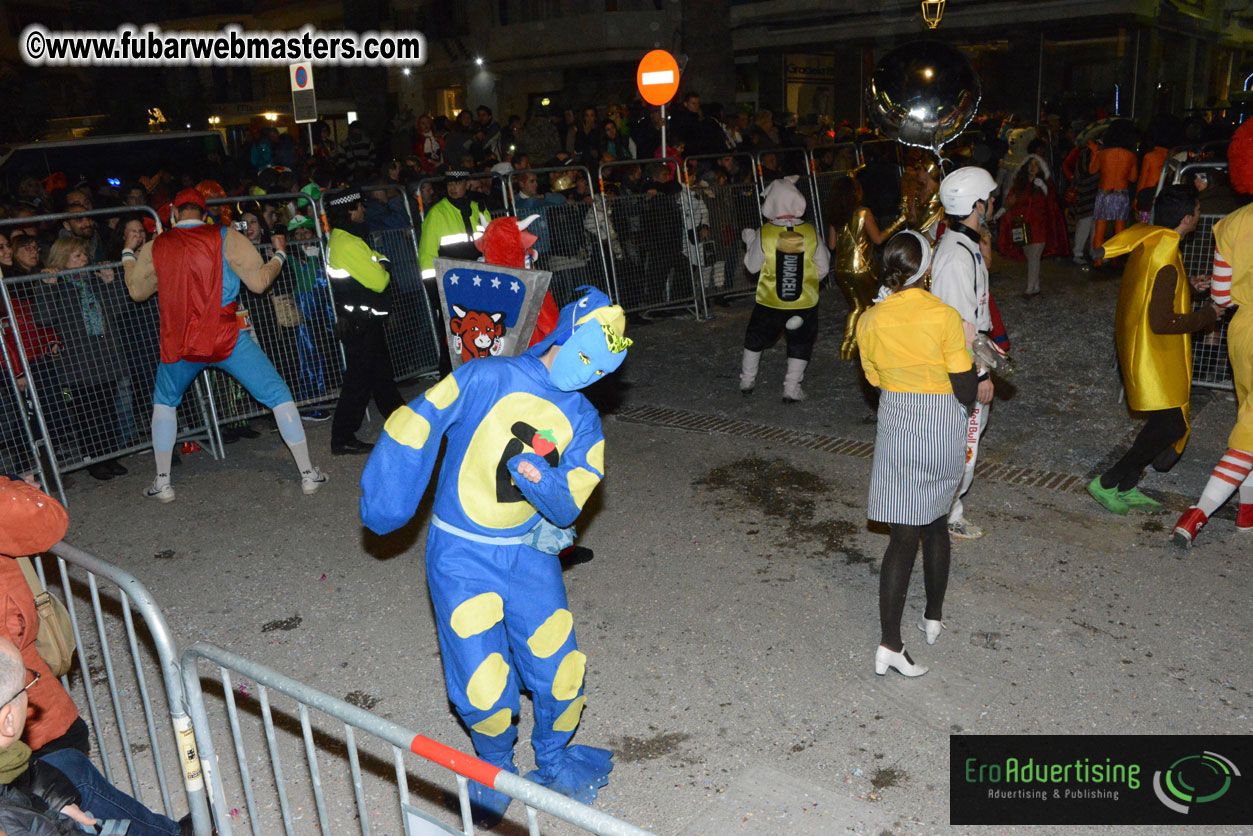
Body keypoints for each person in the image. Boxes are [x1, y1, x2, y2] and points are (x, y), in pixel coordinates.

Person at [359, 287, 630, 826]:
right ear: (568, 333)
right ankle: (494, 770)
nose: (592, 374)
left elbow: (569, 501)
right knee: (483, 683)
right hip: (462, 552)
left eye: (604, 367)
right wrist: (389, 501)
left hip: (529, 554)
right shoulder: (485, 376)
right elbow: (417, 422)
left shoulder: (585, 422)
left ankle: (552, 762)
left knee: (562, 671)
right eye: (588, 356)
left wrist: (543, 480)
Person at [122, 188, 327, 501]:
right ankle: (308, 473)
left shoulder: (157, 245)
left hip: (179, 341)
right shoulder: (226, 237)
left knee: (165, 402)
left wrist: (127, 255)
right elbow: (259, 283)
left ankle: (162, 481)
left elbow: (137, 291)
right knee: (277, 394)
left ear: (175, 214)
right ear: (205, 214)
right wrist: (281, 256)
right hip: (225, 335)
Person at [857, 232, 977, 677]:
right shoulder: (944, 315)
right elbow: (964, 388)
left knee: (901, 538)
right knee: (936, 523)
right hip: (941, 424)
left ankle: (890, 642)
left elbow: (874, 380)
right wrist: (975, 359)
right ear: (924, 268)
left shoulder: (868, 320)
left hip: (898, 425)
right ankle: (933, 615)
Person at [1086, 185, 1221, 515]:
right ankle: (1107, 482)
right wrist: (1207, 316)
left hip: (1144, 350)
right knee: (1171, 425)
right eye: (1199, 213)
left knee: (1166, 423)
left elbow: (1156, 288)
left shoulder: (1152, 239)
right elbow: (1162, 321)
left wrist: (1189, 286)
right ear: (1188, 219)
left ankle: (1127, 484)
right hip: (1154, 356)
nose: (1200, 218)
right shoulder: (1166, 256)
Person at [1172, 121, 1253, 546]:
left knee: (1250, 420)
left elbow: (1222, 294)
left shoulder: (1232, 224)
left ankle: (1246, 514)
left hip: (1241, 334)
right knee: (1249, 433)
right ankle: (1197, 513)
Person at [930, 166, 999, 540]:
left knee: (964, 441)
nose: (993, 204)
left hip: (967, 358)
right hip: (963, 365)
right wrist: (980, 373)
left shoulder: (963, 245)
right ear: (976, 204)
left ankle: (946, 510)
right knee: (965, 445)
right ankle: (946, 515)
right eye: (990, 199)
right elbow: (960, 324)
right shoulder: (958, 255)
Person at [323, 189, 405, 455]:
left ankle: (403, 421)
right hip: (361, 322)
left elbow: (374, 264)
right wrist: (384, 265)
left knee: (381, 378)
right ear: (349, 210)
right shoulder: (348, 243)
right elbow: (379, 280)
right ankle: (342, 437)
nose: (363, 211)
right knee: (359, 382)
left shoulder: (347, 238)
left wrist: (379, 262)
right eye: (359, 207)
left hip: (363, 320)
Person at [738, 176, 831, 402]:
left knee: (756, 337)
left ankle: (747, 379)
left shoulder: (765, 233)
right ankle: (791, 387)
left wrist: (751, 240)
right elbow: (824, 268)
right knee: (801, 341)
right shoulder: (810, 232)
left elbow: (751, 266)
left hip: (770, 300)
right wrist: (806, 280)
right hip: (803, 301)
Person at [826, 175, 905, 359]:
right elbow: (878, 239)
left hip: (841, 269)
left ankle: (847, 348)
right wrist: (898, 223)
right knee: (869, 307)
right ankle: (868, 348)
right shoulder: (863, 213)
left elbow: (831, 245)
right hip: (862, 269)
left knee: (855, 307)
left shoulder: (835, 215)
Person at [996, 154, 1069, 297]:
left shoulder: (1045, 185)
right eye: (1030, 165)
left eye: (1036, 165)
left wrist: (1043, 187)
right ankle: (1035, 285)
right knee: (1030, 256)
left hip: (1039, 226)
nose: (1032, 167)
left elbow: (1051, 203)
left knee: (1034, 256)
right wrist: (999, 213)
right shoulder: (1020, 185)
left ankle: (1030, 288)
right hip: (1021, 226)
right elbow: (1010, 201)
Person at [1089, 120, 1139, 264]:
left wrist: (1094, 153)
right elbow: (1133, 178)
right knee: (1120, 230)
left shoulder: (1103, 154)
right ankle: (1116, 261)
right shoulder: (1130, 156)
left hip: (1104, 192)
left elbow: (1092, 170)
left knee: (1100, 229)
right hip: (1121, 193)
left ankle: (1098, 261)